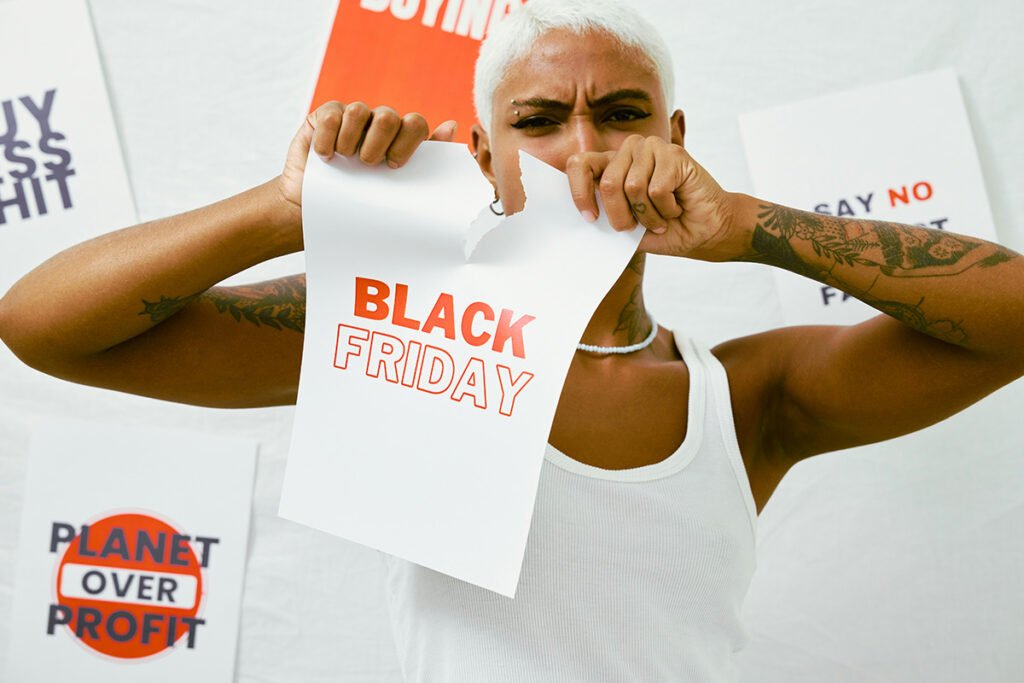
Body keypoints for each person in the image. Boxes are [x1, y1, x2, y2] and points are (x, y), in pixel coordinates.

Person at [1, 0, 1022, 679]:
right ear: (486, 153)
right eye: (541, 119)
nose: (584, 148)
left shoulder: (746, 394)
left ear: (674, 137)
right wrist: (280, 206)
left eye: (621, 114)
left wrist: (750, 225)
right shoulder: (387, 334)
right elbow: (43, 326)